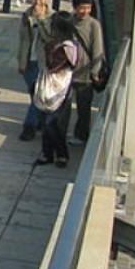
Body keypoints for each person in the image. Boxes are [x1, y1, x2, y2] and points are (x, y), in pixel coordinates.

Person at [36, 12, 87, 168]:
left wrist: (48, 47)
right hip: (54, 85)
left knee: (51, 122)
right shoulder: (67, 44)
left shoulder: (66, 48)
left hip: (59, 88)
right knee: (47, 121)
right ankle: (47, 153)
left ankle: (61, 153)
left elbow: (52, 65)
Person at [16, 0, 53, 141]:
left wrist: (41, 20)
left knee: (39, 95)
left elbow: (50, 38)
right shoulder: (26, 15)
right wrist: (21, 61)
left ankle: (29, 126)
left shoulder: (53, 17)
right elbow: (23, 39)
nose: (37, 2)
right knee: (35, 95)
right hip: (29, 61)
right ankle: (41, 121)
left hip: (44, 62)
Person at [69, 0, 105, 144]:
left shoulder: (93, 25)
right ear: (75, 7)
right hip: (69, 71)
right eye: (82, 8)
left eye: (88, 8)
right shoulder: (69, 22)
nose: (85, 11)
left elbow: (98, 50)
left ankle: (82, 135)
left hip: (85, 73)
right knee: (63, 106)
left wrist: (95, 72)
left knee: (84, 107)